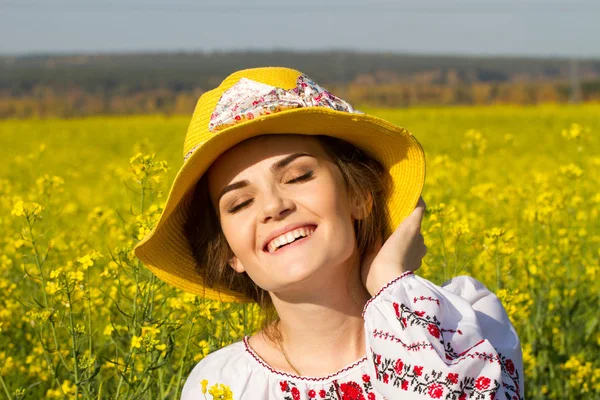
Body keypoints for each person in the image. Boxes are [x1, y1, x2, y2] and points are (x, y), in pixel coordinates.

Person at [134, 67, 524, 399]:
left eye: (299, 176)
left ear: (358, 195)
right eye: (240, 204)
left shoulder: (461, 327)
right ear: (228, 253)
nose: (273, 207)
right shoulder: (220, 385)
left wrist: (390, 279)